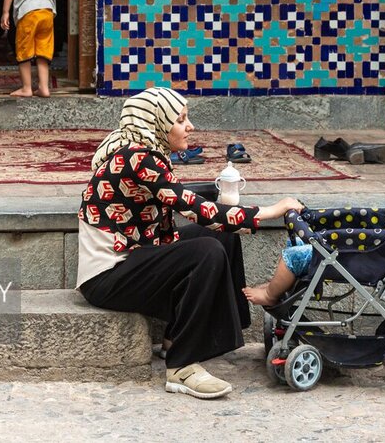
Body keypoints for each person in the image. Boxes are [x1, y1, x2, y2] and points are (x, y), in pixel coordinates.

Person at [76, 87, 303, 399]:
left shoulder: (138, 149)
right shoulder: (138, 158)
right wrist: (273, 210)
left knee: (220, 235)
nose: (190, 126)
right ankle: (181, 366)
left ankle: (183, 338)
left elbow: (181, 197)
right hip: (107, 276)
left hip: (134, 258)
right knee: (206, 249)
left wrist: (220, 203)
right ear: (158, 122)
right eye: (181, 119)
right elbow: (197, 210)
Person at [242, 228, 385, 307]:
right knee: (300, 243)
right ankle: (278, 288)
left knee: (291, 257)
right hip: (346, 256)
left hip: (340, 259)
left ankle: (272, 294)